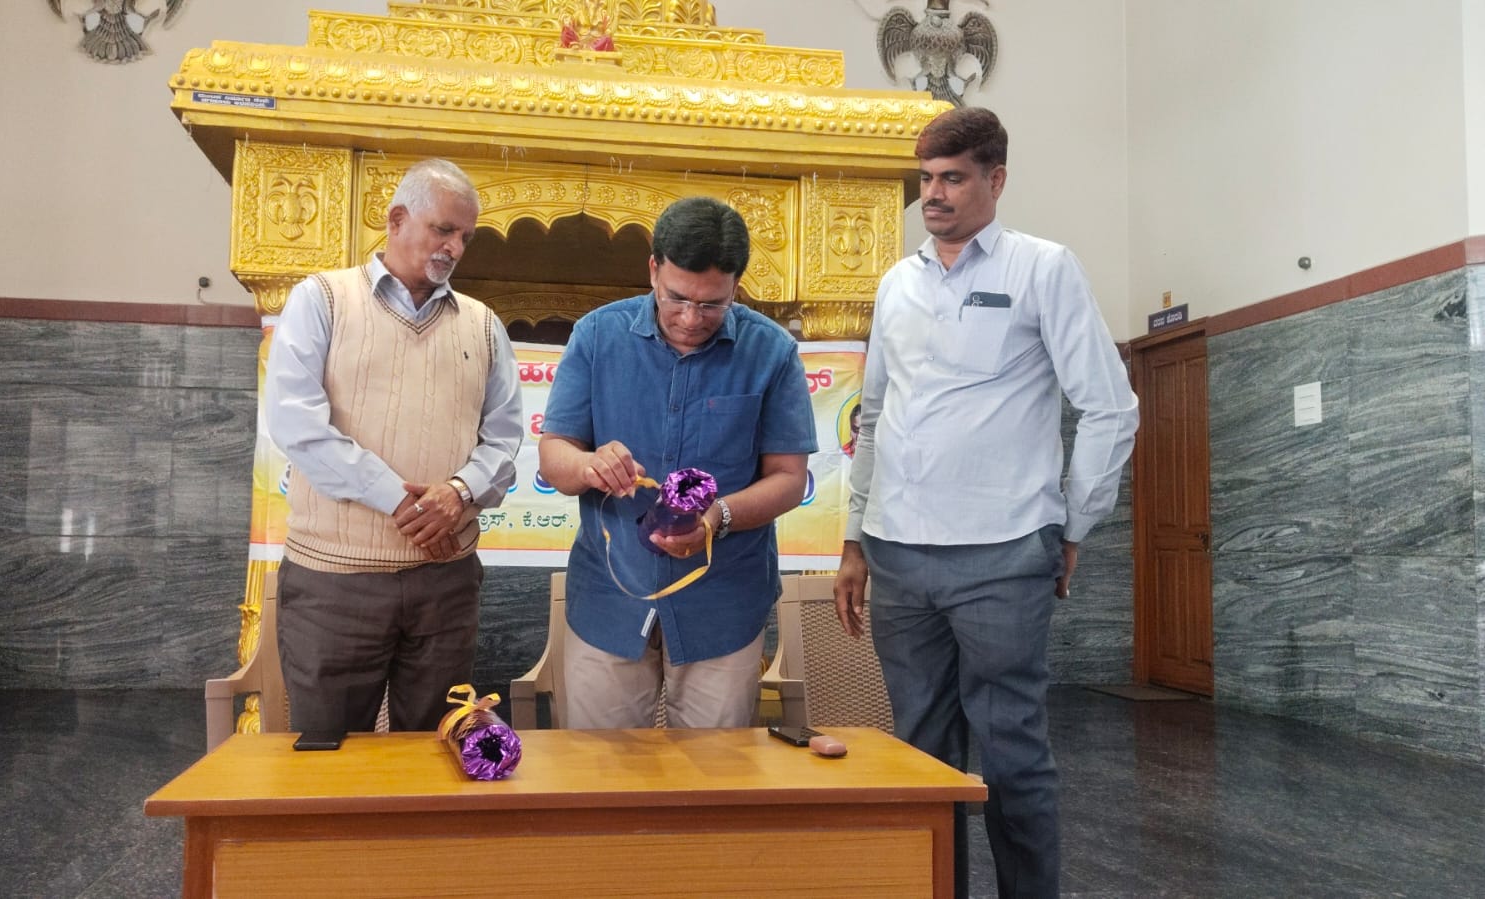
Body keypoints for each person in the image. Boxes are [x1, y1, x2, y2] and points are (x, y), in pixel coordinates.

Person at [834, 107, 1138, 899]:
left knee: (1010, 753)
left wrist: (1072, 522)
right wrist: (855, 538)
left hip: (1003, 552)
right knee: (918, 756)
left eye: (952, 178)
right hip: (899, 554)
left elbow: (1108, 406)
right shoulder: (895, 284)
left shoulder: (1043, 268)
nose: (932, 195)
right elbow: (872, 416)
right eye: (925, 179)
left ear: (995, 179)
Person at [264, 158, 524, 735]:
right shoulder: (322, 299)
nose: (455, 248)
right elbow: (296, 423)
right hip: (336, 581)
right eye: (443, 230)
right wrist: (403, 502)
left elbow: (506, 437)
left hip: (445, 582)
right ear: (397, 219)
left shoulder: (483, 324)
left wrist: (459, 494)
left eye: (465, 237)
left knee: (434, 748)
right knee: (329, 751)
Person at [539, 196, 817, 729]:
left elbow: (788, 479)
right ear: (653, 270)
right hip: (610, 597)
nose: (691, 319)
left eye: (712, 304)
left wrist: (717, 518)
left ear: (736, 285)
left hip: (723, 603)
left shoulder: (771, 353)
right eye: (677, 298)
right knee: (602, 768)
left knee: (712, 773)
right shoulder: (597, 336)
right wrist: (589, 465)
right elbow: (555, 455)